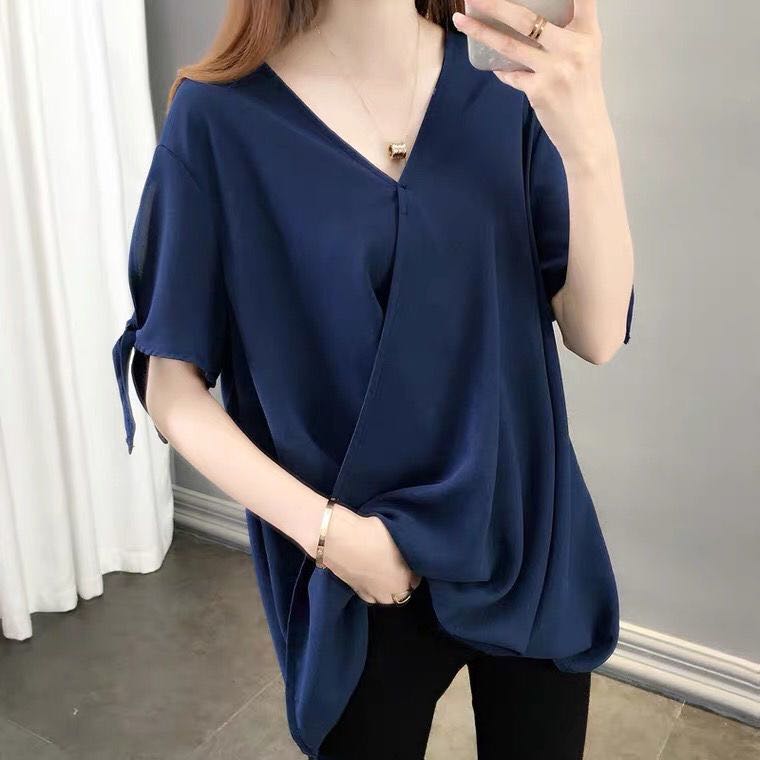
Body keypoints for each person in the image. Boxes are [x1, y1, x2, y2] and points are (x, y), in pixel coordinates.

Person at [111, 0, 635, 757]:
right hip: (359, 574)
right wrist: (332, 537)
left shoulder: (506, 90)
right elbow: (171, 389)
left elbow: (597, 334)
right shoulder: (220, 121)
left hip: (525, 534)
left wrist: (590, 142)